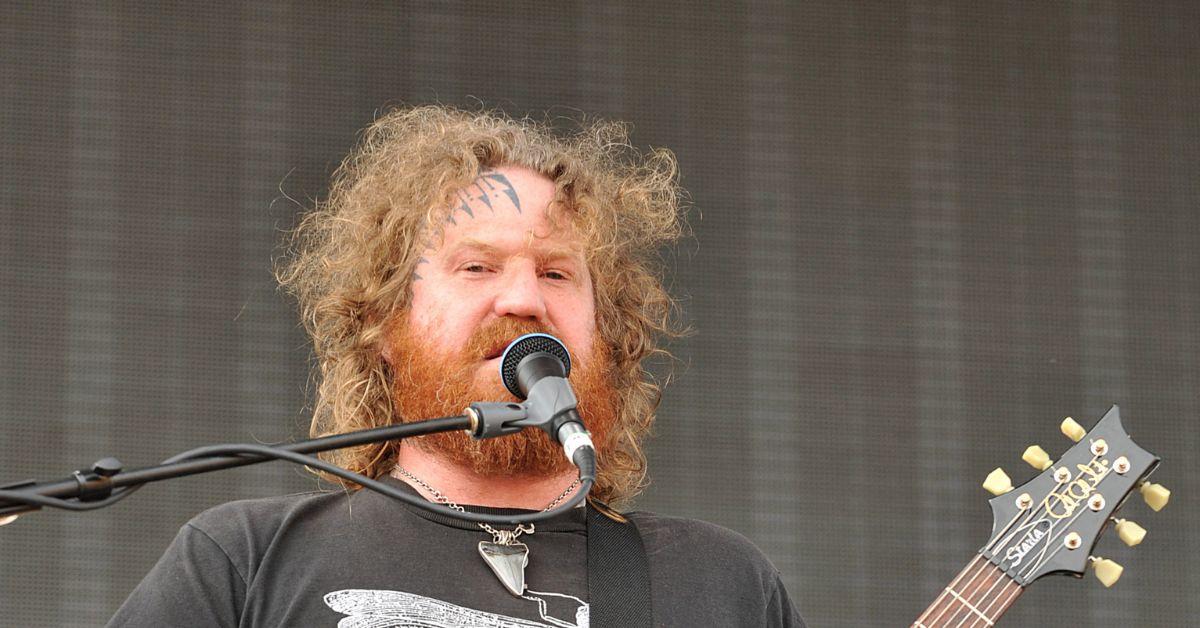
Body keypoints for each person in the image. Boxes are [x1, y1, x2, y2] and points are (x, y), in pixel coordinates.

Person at [108, 106, 805, 627]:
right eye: (477, 267)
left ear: (607, 331)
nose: (524, 297)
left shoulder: (720, 584)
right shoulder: (245, 560)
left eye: (558, 274)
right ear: (384, 321)